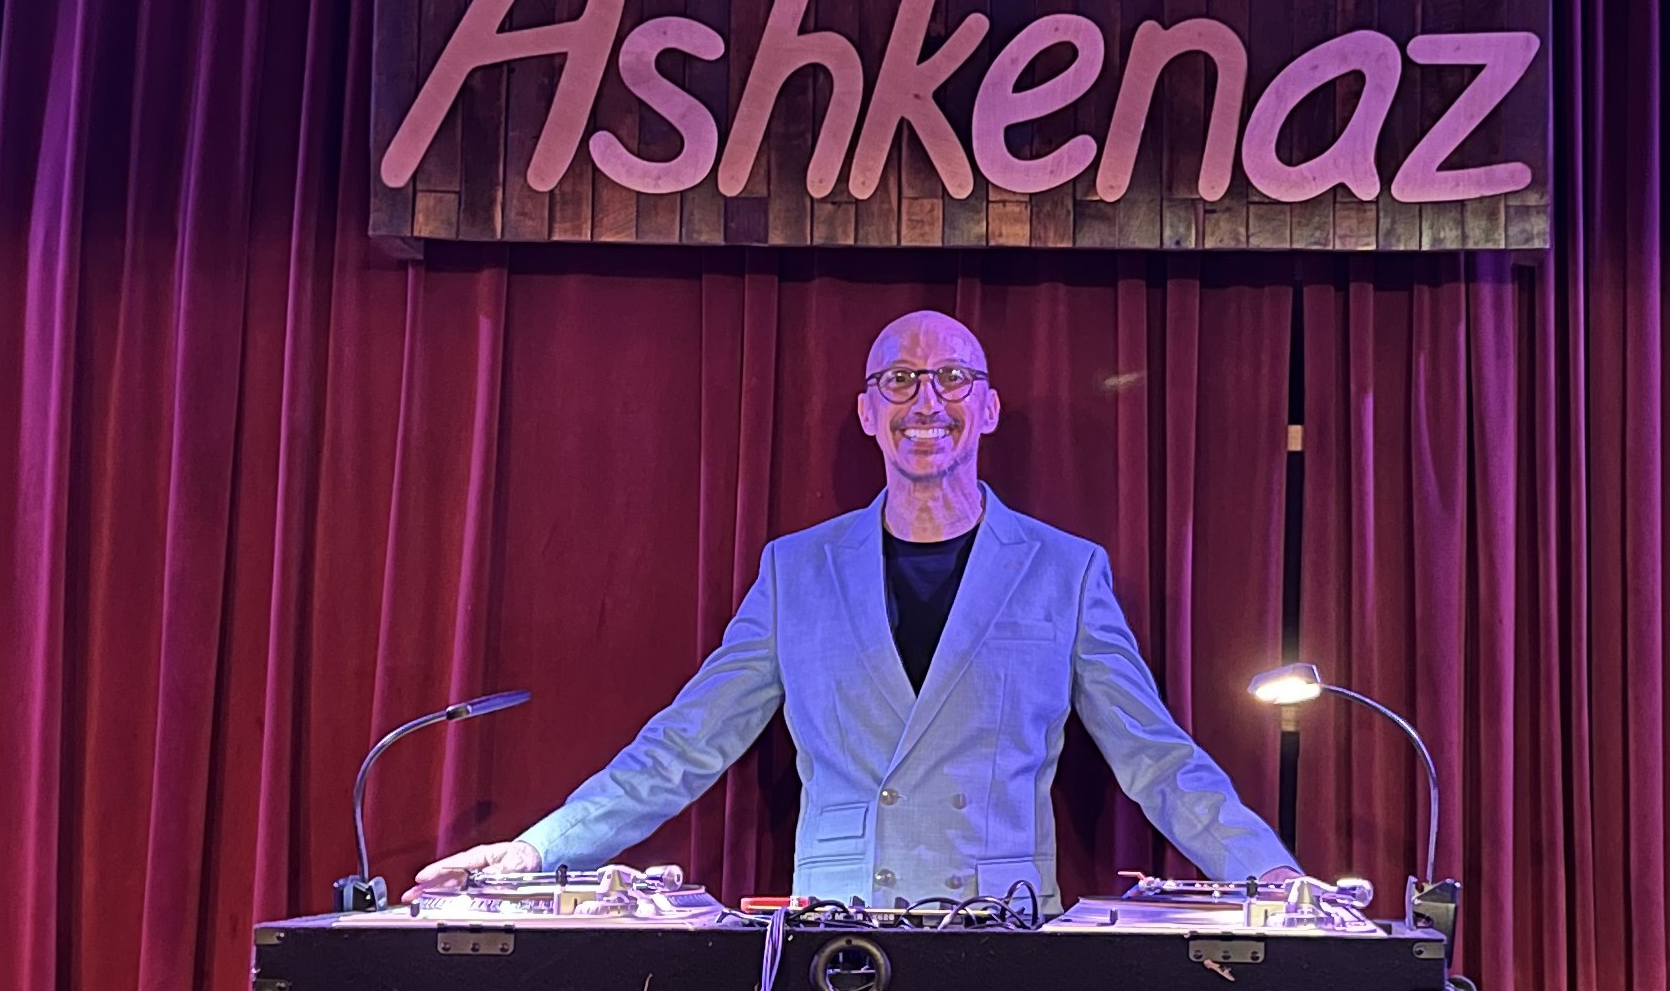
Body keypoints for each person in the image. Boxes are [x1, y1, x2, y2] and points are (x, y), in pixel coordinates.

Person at [412, 309, 1297, 906]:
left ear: (986, 408)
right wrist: (536, 853)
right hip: (838, 928)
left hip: (1003, 932)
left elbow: (1157, 760)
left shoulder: (1066, 572)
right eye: (901, 380)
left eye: (951, 378)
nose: (927, 403)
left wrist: (1281, 883)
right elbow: (683, 748)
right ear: (868, 413)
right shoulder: (796, 572)